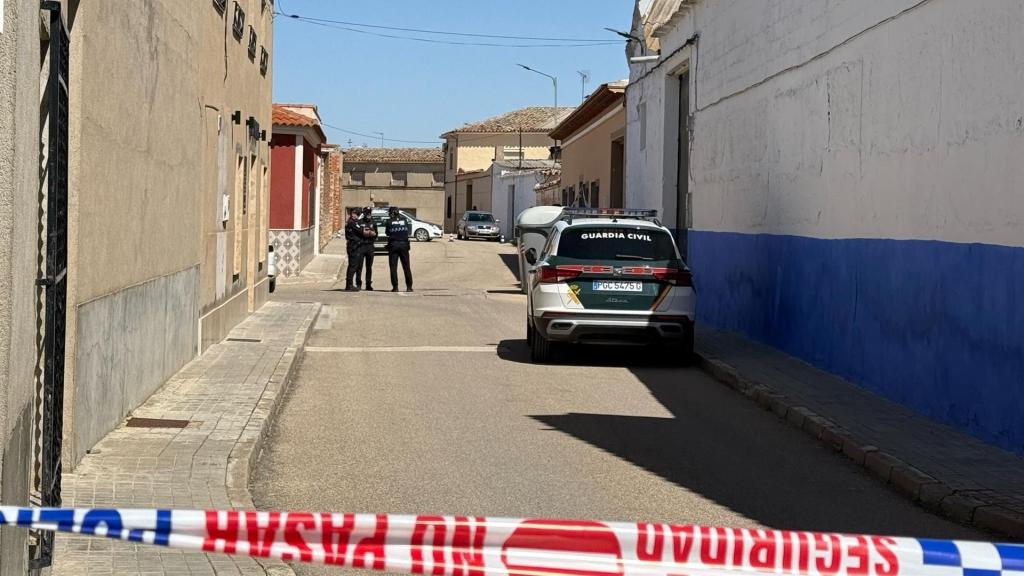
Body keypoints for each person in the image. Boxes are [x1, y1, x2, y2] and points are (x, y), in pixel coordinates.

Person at [385, 206, 413, 292]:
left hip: (393, 245)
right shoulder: (404, 220)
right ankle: (409, 287)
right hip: (404, 245)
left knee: (393, 267)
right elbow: (408, 231)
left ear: (392, 213)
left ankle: (395, 287)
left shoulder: (389, 221)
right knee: (406, 266)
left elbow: (387, 233)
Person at [357, 206, 377, 290]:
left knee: (369, 266)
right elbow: (357, 234)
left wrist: (373, 234)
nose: (368, 214)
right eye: (367, 213)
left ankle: (368, 284)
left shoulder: (374, 222)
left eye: (370, 213)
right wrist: (363, 233)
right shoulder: (359, 222)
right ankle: (358, 284)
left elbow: (376, 235)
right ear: (364, 214)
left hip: (370, 246)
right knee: (359, 266)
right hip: (361, 246)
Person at [343, 208, 363, 291]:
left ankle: (349, 285)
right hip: (353, 246)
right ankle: (349, 285)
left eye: (356, 214)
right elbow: (361, 230)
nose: (354, 215)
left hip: (354, 245)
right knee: (353, 266)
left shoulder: (352, 222)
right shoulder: (352, 222)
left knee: (353, 265)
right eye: (354, 213)